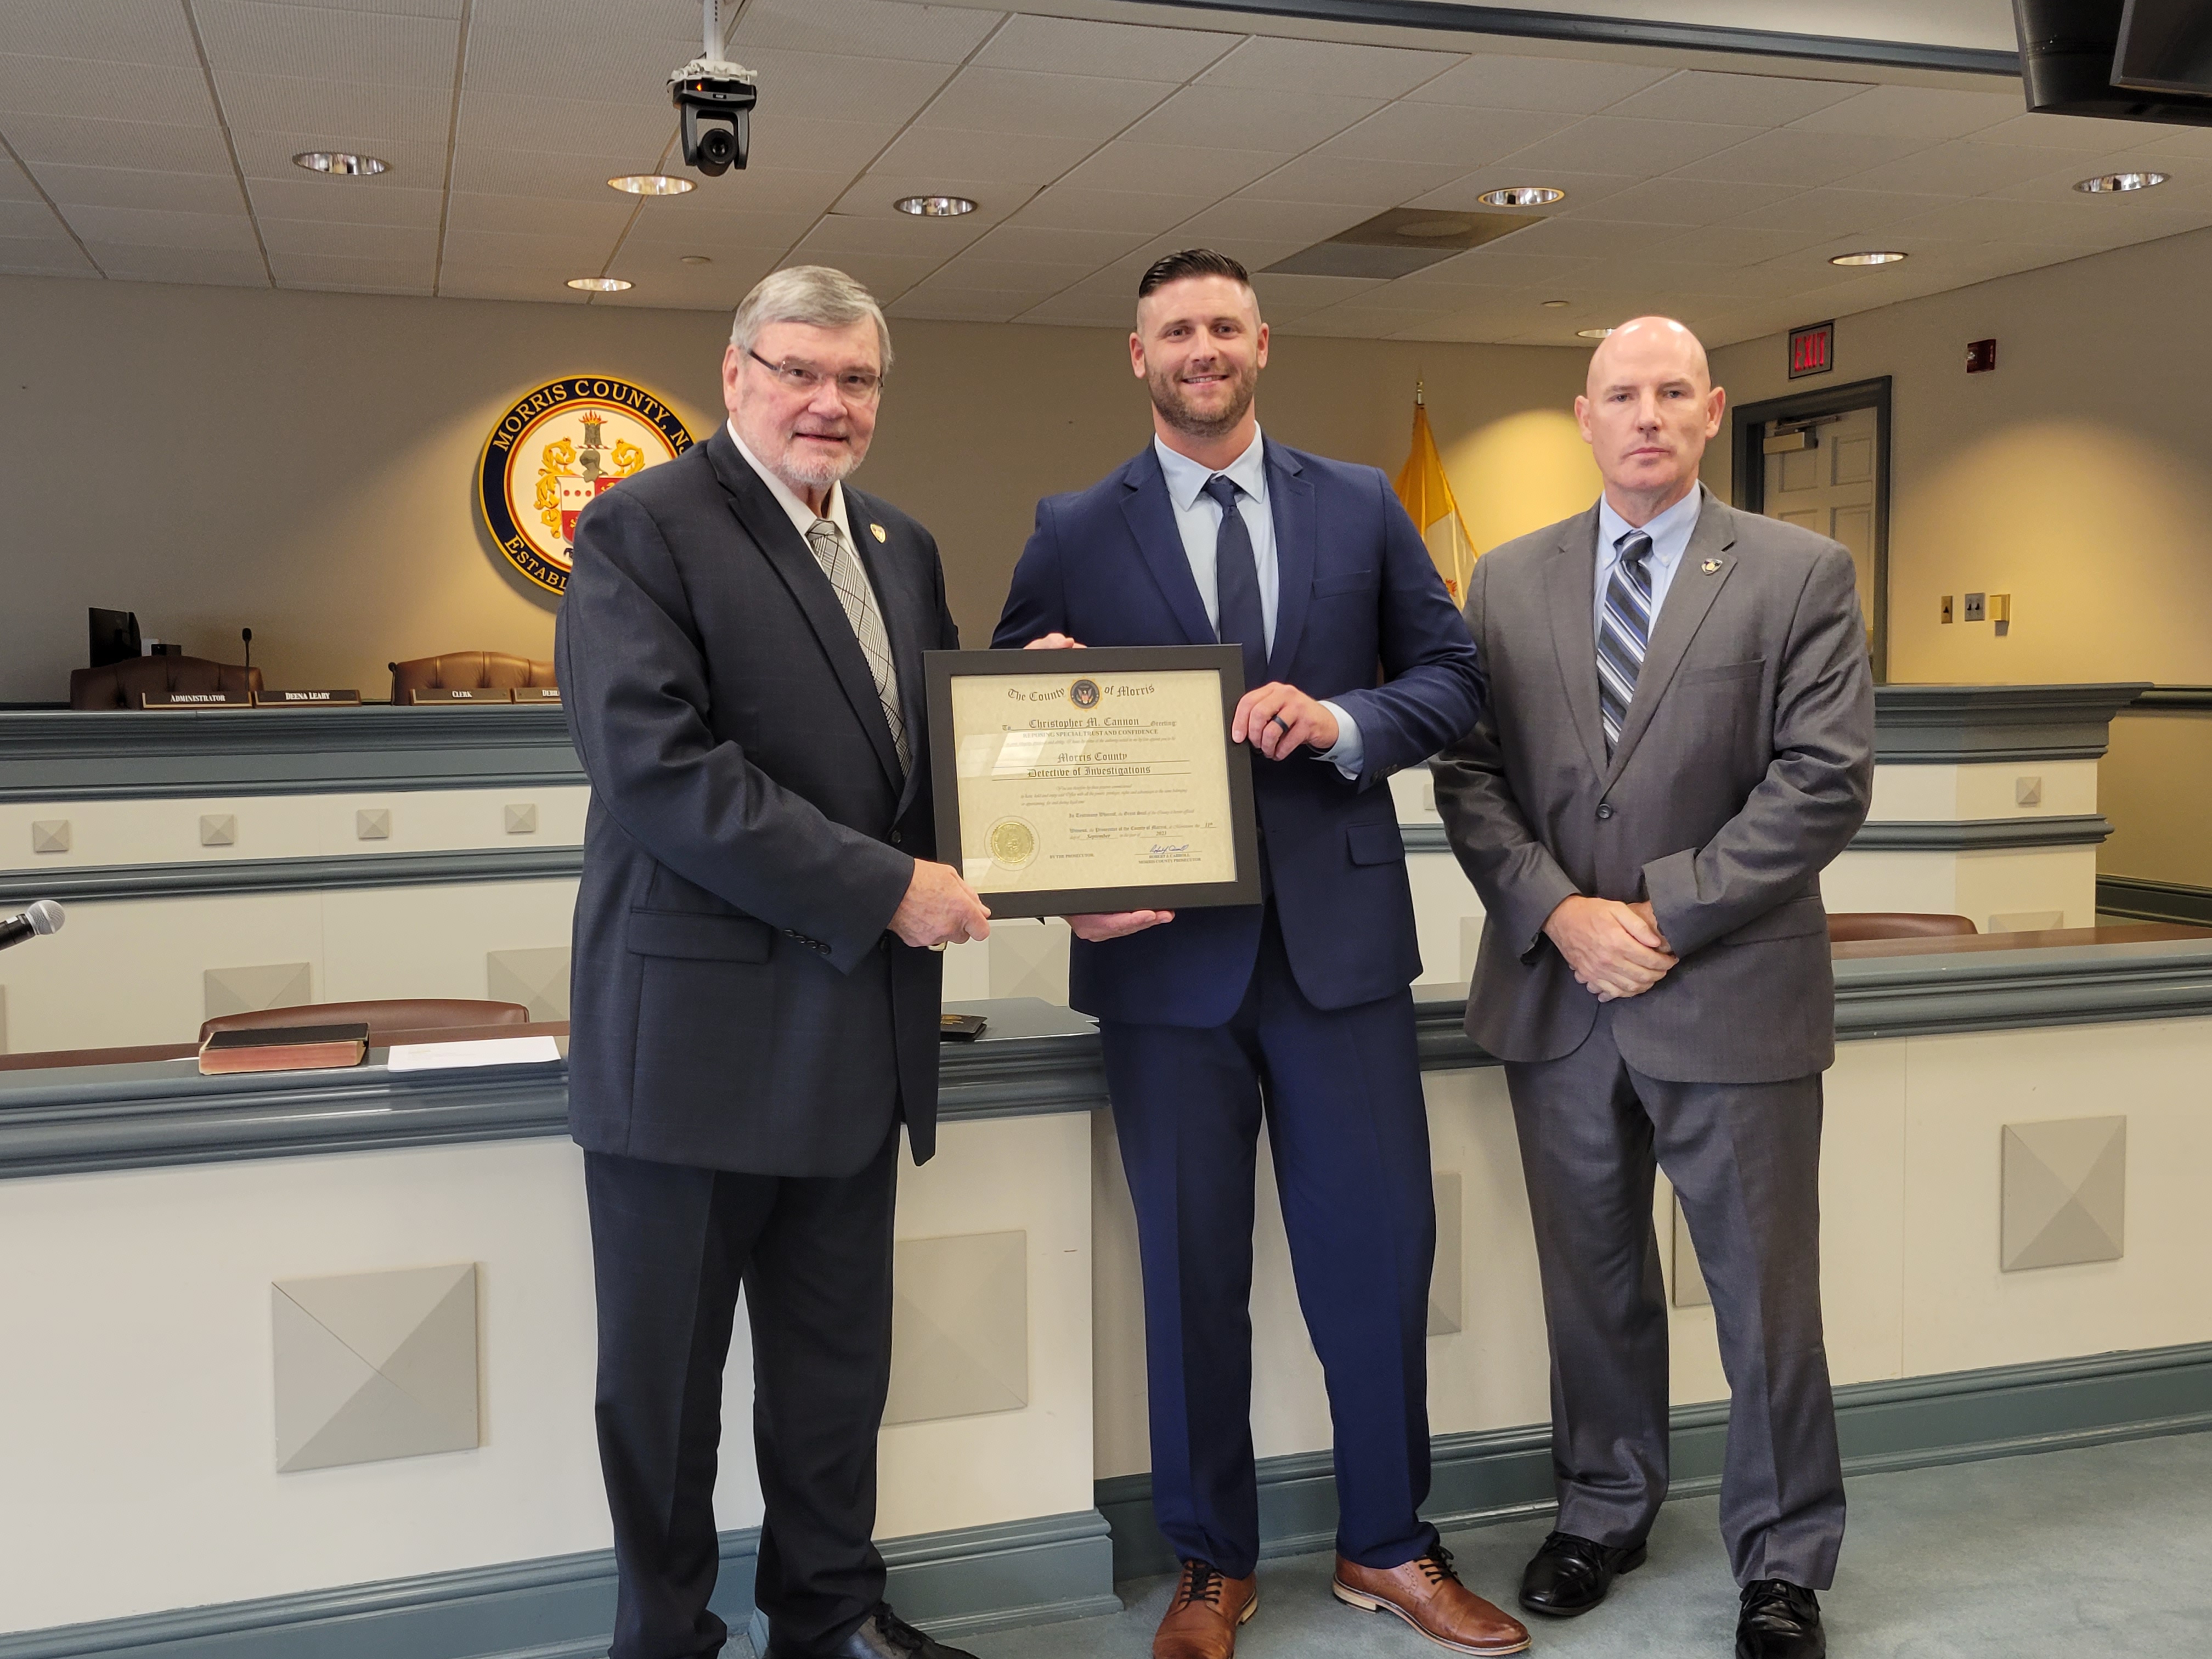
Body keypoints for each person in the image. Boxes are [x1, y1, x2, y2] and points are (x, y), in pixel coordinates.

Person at [995, 250, 1523, 1659]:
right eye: (1176, 328)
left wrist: (1347, 722)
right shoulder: (1069, 528)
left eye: (1224, 324)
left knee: (1375, 1259)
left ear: (1262, 342)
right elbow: (1008, 741)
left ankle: (1389, 1548)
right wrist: (1061, 869)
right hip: (1161, 966)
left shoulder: (1358, 504)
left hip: (1339, 951)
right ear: (1138, 353)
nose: (1202, 347)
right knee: (1190, 1274)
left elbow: (1453, 678)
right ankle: (1210, 1568)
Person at [557, 265, 992, 1659]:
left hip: (852, 1041)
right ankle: (667, 1639)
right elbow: (663, 773)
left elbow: (924, 773)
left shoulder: (901, 543)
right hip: (688, 1050)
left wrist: (1048, 832)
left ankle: (830, 1619)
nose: (828, 401)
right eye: (798, 369)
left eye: (856, 379)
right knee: (666, 1397)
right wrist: (887, 889)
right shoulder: (641, 527)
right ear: (734, 371)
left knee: (831, 1376)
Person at [1429, 316, 1875, 1659]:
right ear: (1583, 413)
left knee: (1763, 1296)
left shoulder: (1801, 572)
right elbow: (1469, 775)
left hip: (1731, 989)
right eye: (1621, 393)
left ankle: (1785, 1560)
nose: (1645, 415)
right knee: (1594, 1282)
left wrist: (1661, 913)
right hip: (1559, 998)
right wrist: (1564, 913)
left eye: (1672, 392)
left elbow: (1824, 778)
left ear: (1714, 411)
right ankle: (1604, 1508)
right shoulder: (1504, 582)